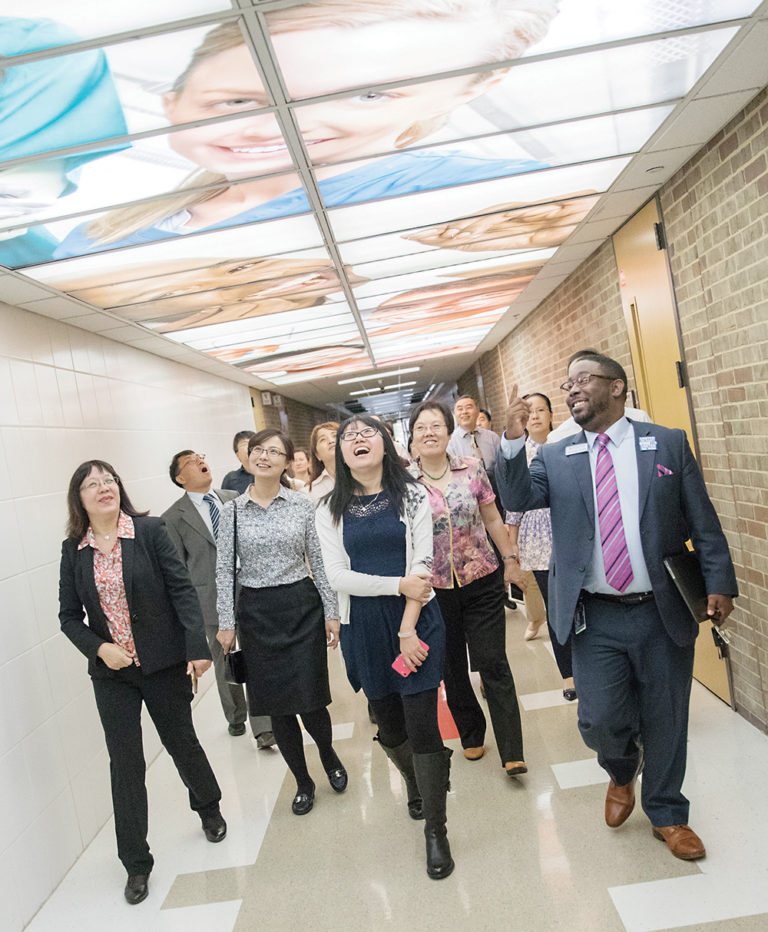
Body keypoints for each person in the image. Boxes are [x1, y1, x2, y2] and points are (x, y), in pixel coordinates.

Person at [53, 2, 558, 258]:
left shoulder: (500, 195)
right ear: (173, 101)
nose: (280, 127)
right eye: (238, 99)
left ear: (472, 87)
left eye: (368, 94)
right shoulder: (97, 236)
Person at [495, 354, 738, 861]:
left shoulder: (666, 443)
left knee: (667, 714)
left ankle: (669, 813)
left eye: (583, 380)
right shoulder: (556, 456)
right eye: (566, 384)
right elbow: (516, 494)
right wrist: (513, 439)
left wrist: (720, 582)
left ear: (617, 387)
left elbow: (702, 518)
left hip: (661, 606)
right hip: (594, 613)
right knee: (600, 718)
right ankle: (622, 769)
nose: (571, 390)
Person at [58, 460, 226, 906]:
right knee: (125, 763)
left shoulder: (149, 532)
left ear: (120, 488)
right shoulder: (73, 549)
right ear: (80, 498)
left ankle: (208, 807)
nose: (103, 488)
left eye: (109, 480)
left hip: (163, 661)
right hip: (112, 673)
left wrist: (196, 649)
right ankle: (135, 863)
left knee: (180, 742)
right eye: (92, 484)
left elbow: (182, 591)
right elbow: (68, 617)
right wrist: (99, 649)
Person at [315, 415, 454, 880]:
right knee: (390, 725)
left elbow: (423, 566)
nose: (357, 439)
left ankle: (436, 831)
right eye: (348, 436)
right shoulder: (327, 509)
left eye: (367, 433)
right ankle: (412, 780)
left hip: (414, 623)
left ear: (386, 443)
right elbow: (336, 577)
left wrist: (409, 628)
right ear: (340, 452)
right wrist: (396, 585)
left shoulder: (412, 494)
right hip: (366, 629)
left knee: (423, 724)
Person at [215, 430, 346, 816]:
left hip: (300, 607)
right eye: (258, 450)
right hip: (256, 613)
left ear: (288, 461)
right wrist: (226, 622)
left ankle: (328, 755)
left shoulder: (303, 505)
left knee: (310, 699)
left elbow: (319, 561)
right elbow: (224, 571)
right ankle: (303, 781)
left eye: (275, 451)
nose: (265, 456)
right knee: (277, 707)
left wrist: (332, 612)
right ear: (247, 459)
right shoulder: (232, 511)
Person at [409, 401, 526, 774]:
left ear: (448, 432)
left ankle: (512, 750)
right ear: (412, 438)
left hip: (481, 578)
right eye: (421, 428)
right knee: (452, 667)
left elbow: (492, 517)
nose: (429, 432)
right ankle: (471, 732)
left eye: (436, 426)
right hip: (434, 591)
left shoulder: (471, 468)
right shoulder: (405, 485)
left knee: (492, 661)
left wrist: (510, 559)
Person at [162, 450, 275, 746]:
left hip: (249, 588)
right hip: (209, 598)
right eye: (190, 462)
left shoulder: (232, 497)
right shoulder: (173, 517)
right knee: (226, 658)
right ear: (180, 478)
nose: (201, 462)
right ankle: (235, 715)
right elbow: (176, 570)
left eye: (201, 457)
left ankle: (263, 726)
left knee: (257, 655)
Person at [504, 394, 576, 700]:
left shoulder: (564, 444)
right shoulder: (524, 452)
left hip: (570, 531)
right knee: (556, 608)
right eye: (529, 411)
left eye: (540, 411)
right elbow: (516, 504)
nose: (534, 416)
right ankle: (569, 674)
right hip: (539, 536)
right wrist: (512, 545)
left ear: (550, 415)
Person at [547, 348, 651, 443]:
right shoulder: (558, 438)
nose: (574, 390)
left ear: (614, 387)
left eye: (583, 380)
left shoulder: (639, 419)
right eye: (570, 384)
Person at [446, 395, 501, 476]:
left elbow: (503, 467)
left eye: (468, 407)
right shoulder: (449, 442)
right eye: (460, 409)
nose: (464, 412)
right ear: (455, 414)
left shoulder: (492, 437)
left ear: (477, 411)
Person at [307, 421, 339, 502]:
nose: (331, 441)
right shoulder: (309, 492)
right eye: (323, 439)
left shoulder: (366, 478)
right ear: (317, 455)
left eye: (335, 436)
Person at [221, 430, 256, 494]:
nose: (251, 446)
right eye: (245, 443)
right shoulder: (231, 479)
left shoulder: (273, 470)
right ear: (237, 455)